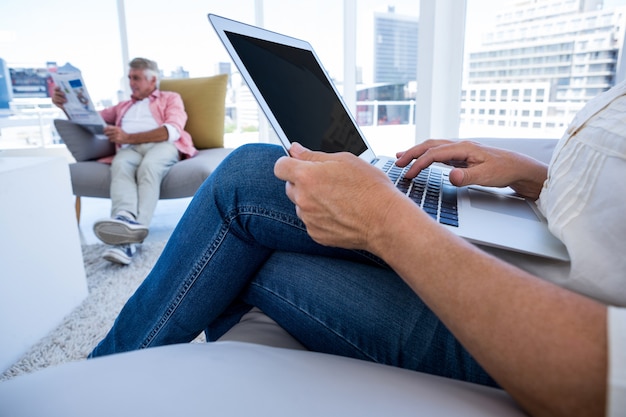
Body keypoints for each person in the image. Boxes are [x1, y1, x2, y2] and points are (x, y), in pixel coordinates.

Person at [88, 77, 626, 417]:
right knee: (246, 233)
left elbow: (606, 381)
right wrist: (537, 178)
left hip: (540, 332)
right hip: (540, 252)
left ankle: (91, 388)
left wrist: (387, 221)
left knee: (249, 178)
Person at [52, 57, 197, 265]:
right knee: (120, 165)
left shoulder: (170, 98)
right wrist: (65, 105)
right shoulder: (123, 106)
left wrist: (126, 137)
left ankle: (132, 236)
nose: (131, 83)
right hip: (129, 150)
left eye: (136, 78)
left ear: (152, 80)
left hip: (162, 146)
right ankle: (123, 218)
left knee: (149, 168)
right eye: (129, 77)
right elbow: (89, 117)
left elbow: (172, 131)